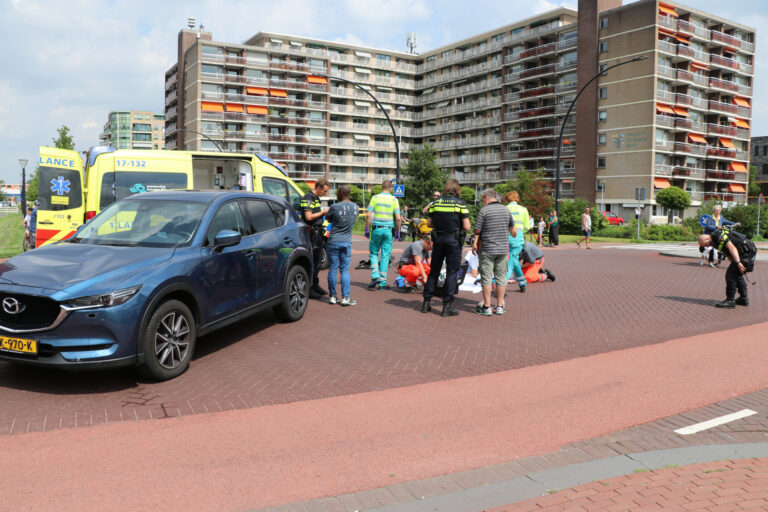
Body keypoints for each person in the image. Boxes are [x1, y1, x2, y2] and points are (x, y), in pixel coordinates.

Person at [421, 180, 471, 317]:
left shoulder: (436, 203)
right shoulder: (460, 204)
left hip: (438, 240)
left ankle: (426, 302)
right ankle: (447, 306)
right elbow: (467, 227)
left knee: (434, 271)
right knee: (452, 272)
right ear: (457, 190)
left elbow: (430, 224)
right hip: (454, 241)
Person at [473, 189, 515, 316]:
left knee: (486, 278)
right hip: (502, 250)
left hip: (487, 249)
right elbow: (513, 231)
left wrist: (475, 243)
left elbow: (477, 230)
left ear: (486, 198)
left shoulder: (484, 211)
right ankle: (500, 306)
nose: (482, 202)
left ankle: (487, 307)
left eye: (482, 200)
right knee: (501, 278)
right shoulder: (506, 210)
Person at [698, 227, 756, 308]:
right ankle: (743, 298)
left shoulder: (717, 235)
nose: (707, 246)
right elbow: (727, 252)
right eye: (705, 246)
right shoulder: (714, 242)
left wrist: (738, 262)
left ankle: (730, 301)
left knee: (730, 275)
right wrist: (734, 263)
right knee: (736, 274)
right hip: (745, 251)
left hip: (746, 251)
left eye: (706, 244)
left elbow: (732, 247)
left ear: (707, 238)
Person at [325, 185, 359, 306]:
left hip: (333, 241)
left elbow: (328, 219)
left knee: (333, 268)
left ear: (340, 193)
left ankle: (333, 296)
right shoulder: (356, 207)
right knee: (344, 270)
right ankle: (345, 297)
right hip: (346, 241)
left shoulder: (334, 206)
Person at [365, 180, 401, 290]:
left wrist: (367, 228)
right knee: (386, 255)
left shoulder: (375, 198)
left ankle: (375, 275)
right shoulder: (394, 199)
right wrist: (398, 232)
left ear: (382, 187)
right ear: (390, 188)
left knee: (374, 252)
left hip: (376, 229)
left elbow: (368, 215)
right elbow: (398, 218)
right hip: (388, 230)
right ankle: (383, 282)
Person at [301, 178, 331, 299]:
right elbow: (308, 217)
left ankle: (315, 285)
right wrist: (323, 212)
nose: (325, 193)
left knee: (318, 261)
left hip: (318, 232)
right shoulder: (308, 197)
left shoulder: (316, 198)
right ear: (318, 187)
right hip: (311, 233)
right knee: (313, 261)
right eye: (324, 191)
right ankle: (309, 289)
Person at [504, 190, 531, 293]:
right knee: (512, 261)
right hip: (518, 238)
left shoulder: (505, 209)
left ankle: (521, 283)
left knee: (513, 261)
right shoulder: (523, 209)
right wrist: (520, 231)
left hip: (506, 238)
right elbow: (527, 226)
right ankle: (504, 284)